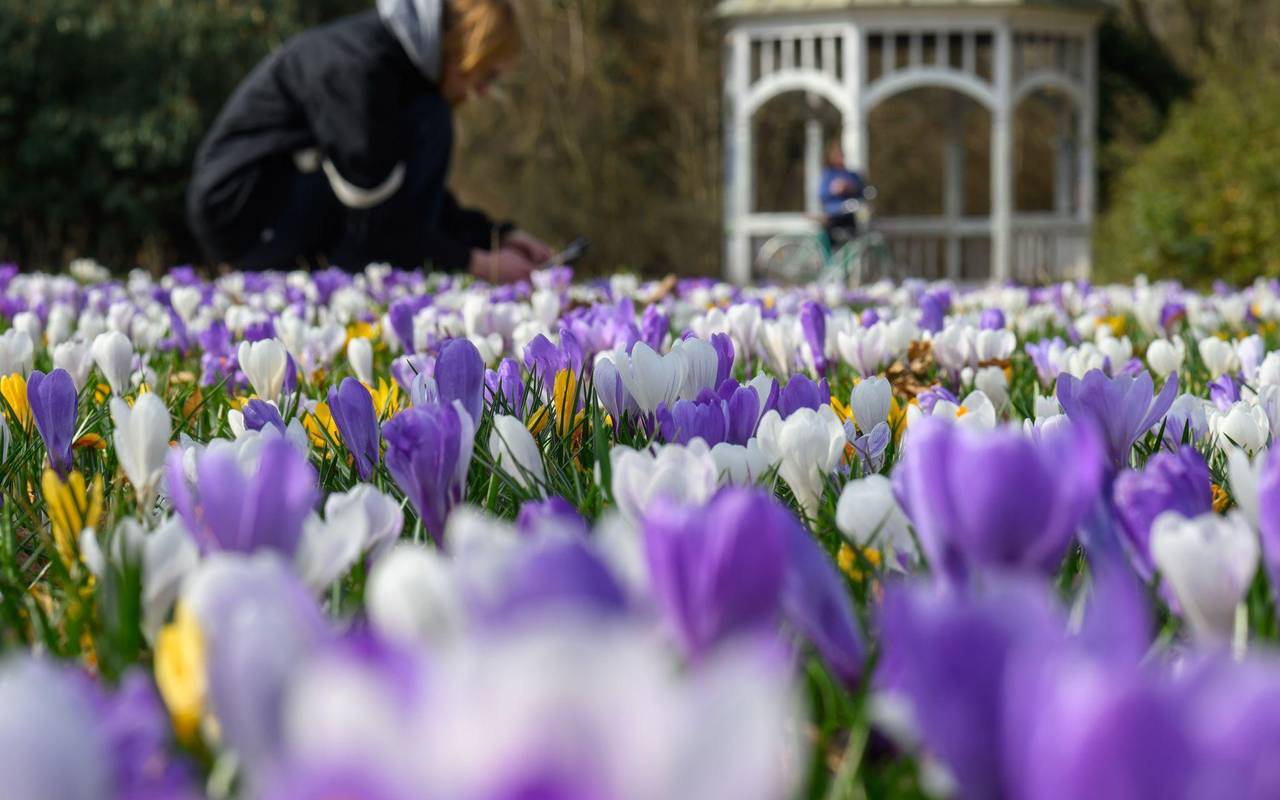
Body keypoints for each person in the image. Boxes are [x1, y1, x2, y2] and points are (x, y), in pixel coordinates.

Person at [186, 0, 552, 282]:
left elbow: (408, 202)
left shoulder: (393, 65)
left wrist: (495, 236)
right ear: (464, 48)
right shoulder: (362, 71)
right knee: (432, 120)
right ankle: (345, 281)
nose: (482, 92)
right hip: (242, 215)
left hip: (268, 198)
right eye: (485, 76)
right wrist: (480, 264)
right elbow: (387, 226)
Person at [818, 140, 866, 249]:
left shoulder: (851, 174)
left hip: (849, 214)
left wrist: (850, 189)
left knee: (854, 242)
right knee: (829, 241)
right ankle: (830, 257)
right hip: (833, 214)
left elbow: (862, 191)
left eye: (840, 155)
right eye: (836, 155)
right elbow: (822, 194)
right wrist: (834, 190)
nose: (839, 158)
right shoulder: (828, 174)